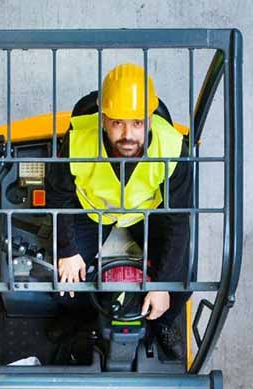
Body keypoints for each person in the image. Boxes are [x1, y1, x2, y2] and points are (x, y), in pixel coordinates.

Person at [44, 63, 193, 361]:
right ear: (103, 119)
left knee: (183, 277)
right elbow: (58, 194)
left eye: (137, 123)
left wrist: (162, 284)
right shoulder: (76, 140)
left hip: (144, 215)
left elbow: (179, 218)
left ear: (150, 120)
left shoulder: (173, 146)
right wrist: (68, 251)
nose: (128, 135)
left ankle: (162, 322)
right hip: (92, 212)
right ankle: (80, 321)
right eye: (117, 124)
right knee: (59, 278)